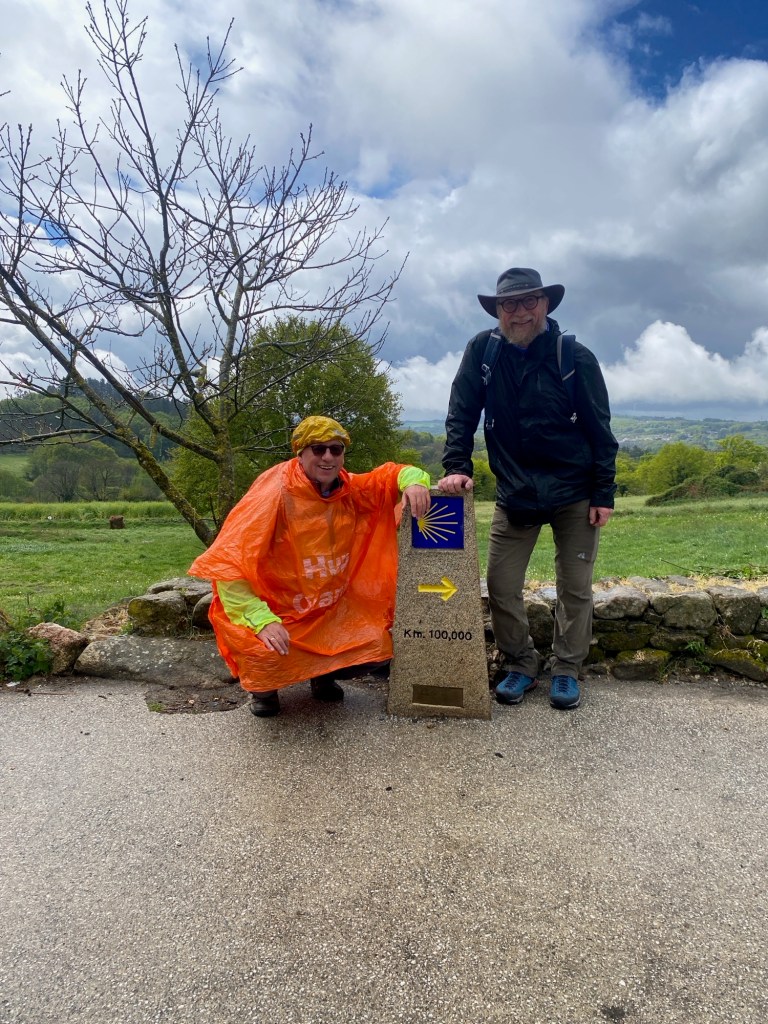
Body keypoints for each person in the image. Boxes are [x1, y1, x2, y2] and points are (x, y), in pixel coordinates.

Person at [438, 267, 618, 710]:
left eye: (527, 301)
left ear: (545, 304)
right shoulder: (483, 352)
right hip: (515, 491)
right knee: (500, 583)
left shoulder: (574, 356)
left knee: (575, 586)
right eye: (508, 304)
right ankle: (521, 663)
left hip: (574, 490)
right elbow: (462, 411)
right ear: (498, 310)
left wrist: (603, 492)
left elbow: (600, 429)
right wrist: (457, 466)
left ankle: (567, 669)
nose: (518, 312)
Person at [189, 416, 431, 717]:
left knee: (375, 644)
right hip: (277, 612)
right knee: (264, 651)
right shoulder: (274, 492)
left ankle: (323, 677)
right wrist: (261, 620)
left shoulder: (349, 488)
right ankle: (264, 691)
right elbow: (229, 564)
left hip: (325, 611)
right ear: (300, 452)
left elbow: (391, 475)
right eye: (318, 449)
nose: (328, 457)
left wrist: (415, 483)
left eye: (336, 449)